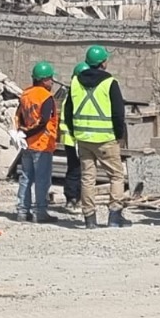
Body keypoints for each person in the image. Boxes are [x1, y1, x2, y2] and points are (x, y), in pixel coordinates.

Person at [66, 45, 131, 229]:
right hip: (105, 138)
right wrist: (119, 135)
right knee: (116, 176)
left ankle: (89, 219)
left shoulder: (76, 82)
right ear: (103, 62)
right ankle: (115, 216)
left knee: (87, 178)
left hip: (83, 138)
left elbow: (69, 111)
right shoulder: (110, 83)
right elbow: (118, 112)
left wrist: (73, 132)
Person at [15, 61, 59, 222]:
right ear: (43, 80)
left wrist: (22, 133)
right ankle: (40, 212)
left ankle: (22, 211)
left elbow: (18, 116)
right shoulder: (46, 97)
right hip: (42, 143)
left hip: (27, 144)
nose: (52, 82)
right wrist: (30, 133)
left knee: (26, 177)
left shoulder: (25, 95)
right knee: (42, 179)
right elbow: (44, 121)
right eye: (50, 79)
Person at [59, 62, 90, 209]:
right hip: (76, 139)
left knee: (76, 169)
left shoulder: (72, 95)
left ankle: (74, 198)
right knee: (77, 170)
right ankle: (73, 198)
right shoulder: (77, 96)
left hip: (71, 139)